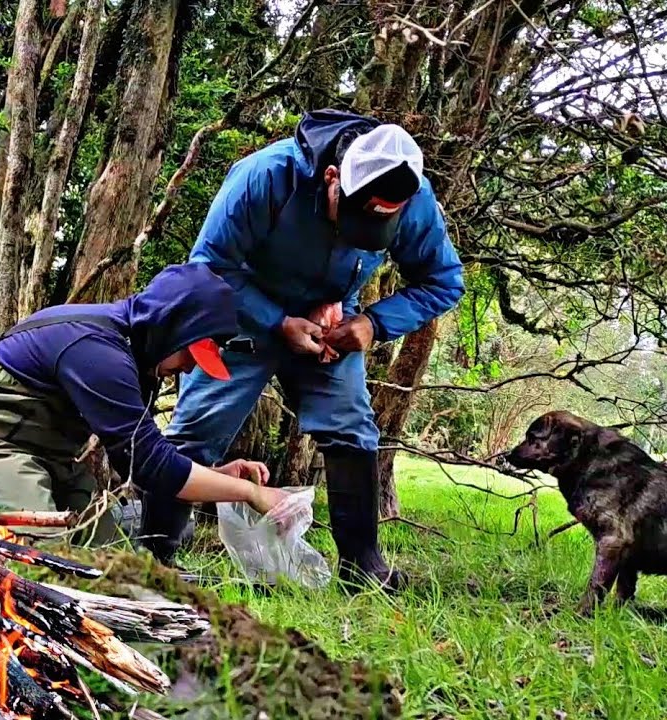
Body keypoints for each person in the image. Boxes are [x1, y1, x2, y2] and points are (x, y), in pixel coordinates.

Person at [164, 109, 466, 589]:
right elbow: (209, 268)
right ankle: (156, 556)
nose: (354, 238)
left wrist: (371, 322)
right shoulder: (266, 176)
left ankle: (363, 566)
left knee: (350, 426)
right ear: (332, 179)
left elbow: (444, 281)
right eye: (349, 221)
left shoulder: (414, 198)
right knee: (199, 428)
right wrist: (277, 321)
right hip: (242, 314)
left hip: (330, 328)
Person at [0, 263, 288, 556]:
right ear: (171, 328)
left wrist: (219, 475)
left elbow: (137, 458)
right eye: (190, 356)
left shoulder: (137, 351)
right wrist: (250, 493)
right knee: (44, 561)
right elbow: (153, 467)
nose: (191, 370)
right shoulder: (97, 350)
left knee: (110, 557)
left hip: (45, 456)